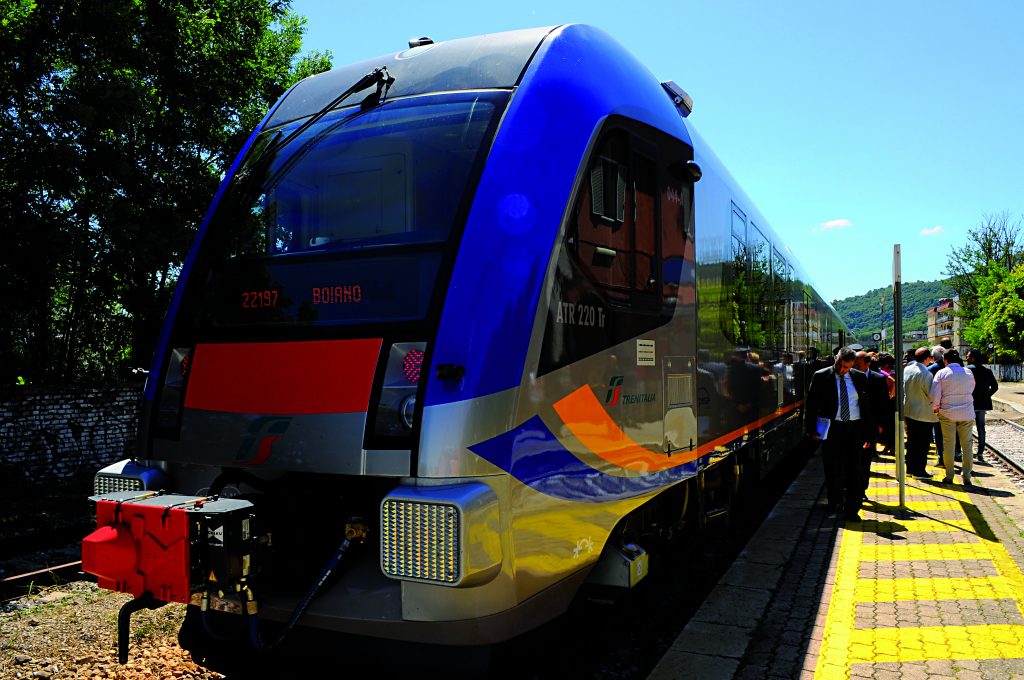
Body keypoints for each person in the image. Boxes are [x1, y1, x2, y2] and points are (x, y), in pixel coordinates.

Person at [806, 346, 875, 520]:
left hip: (855, 428)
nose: (841, 370)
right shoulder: (821, 376)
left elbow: (866, 406)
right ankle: (834, 500)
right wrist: (811, 429)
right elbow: (812, 405)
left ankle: (852, 509)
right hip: (833, 428)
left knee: (854, 469)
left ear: (852, 365)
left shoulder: (858, 378)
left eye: (846, 367)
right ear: (835, 359)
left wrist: (869, 434)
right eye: (839, 365)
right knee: (832, 468)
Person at [930, 349, 976, 487]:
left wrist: (935, 408)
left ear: (945, 360)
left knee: (948, 444)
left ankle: (949, 475)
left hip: (947, 413)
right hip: (967, 413)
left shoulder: (941, 373)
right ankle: (967, 476)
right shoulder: (968, 372)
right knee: (967, 445)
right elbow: (971, 388)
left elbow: (935, 394)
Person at [853, 350, 890, 497]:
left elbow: (884, 404)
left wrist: (881, 425)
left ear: (868, 364)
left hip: (871, 427)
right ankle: (853, 489)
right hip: (853, 425)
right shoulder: (850, 377)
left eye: (858, 364)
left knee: (865, 460)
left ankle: (862, 489)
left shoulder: (878, 379)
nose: (855, 366)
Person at [903, 347, 937, 478]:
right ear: (927, 358)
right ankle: (919, 470)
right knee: (922, 444)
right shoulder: (926, 374)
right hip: (923, 412)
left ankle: (910, 467)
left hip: (909, 410)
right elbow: (930, 394)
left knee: (911, 442)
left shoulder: (907, 369)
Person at [966, 349, 999, 464]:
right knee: (981, 428)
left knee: (967, 428)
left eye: (968, 356)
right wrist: (986, 396)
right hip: (983, 404)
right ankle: (980, 453)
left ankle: (967, 452)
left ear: (973, 358)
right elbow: (995, 387)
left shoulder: (967, 371)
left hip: (970, 403)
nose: (966, 357)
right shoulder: (987, 371)